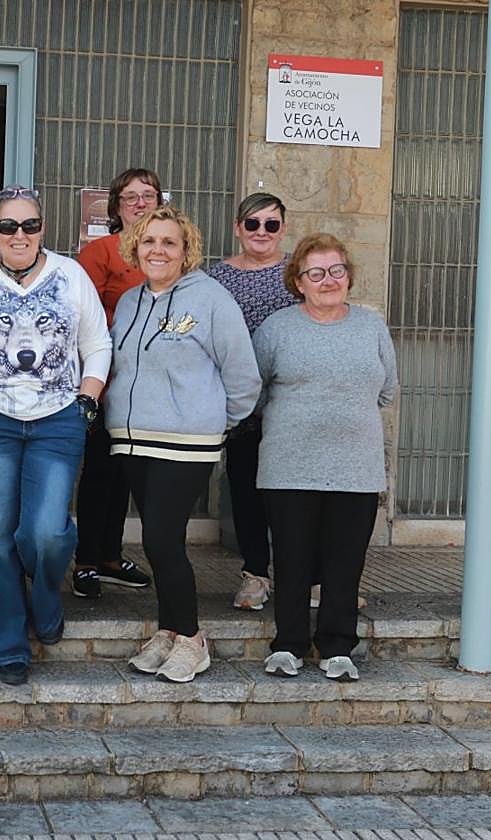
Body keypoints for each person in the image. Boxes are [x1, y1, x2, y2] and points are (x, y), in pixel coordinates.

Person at [0, 186, 111, 685]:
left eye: (29, 225)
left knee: (45, 531)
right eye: (8, 225)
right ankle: (5, 645)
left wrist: (87, 398)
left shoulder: (71, 276)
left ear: (42, 228)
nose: (19, 234)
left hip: (58, 416)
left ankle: (43, 596)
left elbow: (97, 343)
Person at [104, 206, 260, 684]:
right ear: (136, 246)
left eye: (169, 242)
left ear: (186, 249)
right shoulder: (130, 301)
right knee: (157, 541)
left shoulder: (212, 299)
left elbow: (243, 377)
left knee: (161, 541)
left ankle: (192, 639)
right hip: (132, 440)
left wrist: (211, 422)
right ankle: (169, 630)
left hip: (186, 442)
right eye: (150, 241)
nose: (158, 250)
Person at [255, 234, 397, 682]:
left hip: (356, 467)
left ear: (349, 276)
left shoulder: (371, 327)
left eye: (335, 270)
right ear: (298, 282)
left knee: (344, 562)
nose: (327, 280)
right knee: (293, 561)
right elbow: (254, 391)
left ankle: (337, 647)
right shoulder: (276, 328)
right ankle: (288, 646)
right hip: (289, 465)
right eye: (315, 272)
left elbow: (388, 389)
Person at [70, 167, 164, 599]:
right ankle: (87, 559)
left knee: (128, 471)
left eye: (148, 195)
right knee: (99, 471)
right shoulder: (101, 252)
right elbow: (83, 315)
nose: (140, 203)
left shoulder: (167, 252)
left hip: (151, 384)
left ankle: (111, 554)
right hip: (105, 381)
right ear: (116, 206)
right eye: (131, 197)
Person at [206, 193, 296, 611]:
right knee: (245, 489)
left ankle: (307, 577)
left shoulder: (299, 274)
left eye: (271, 224)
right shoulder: (216, 279)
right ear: (238, 228)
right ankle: (256, 574)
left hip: (292, 401)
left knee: (297, 494)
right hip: (241, 403)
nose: (262, 232)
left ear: (282, 228)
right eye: (253, 223)